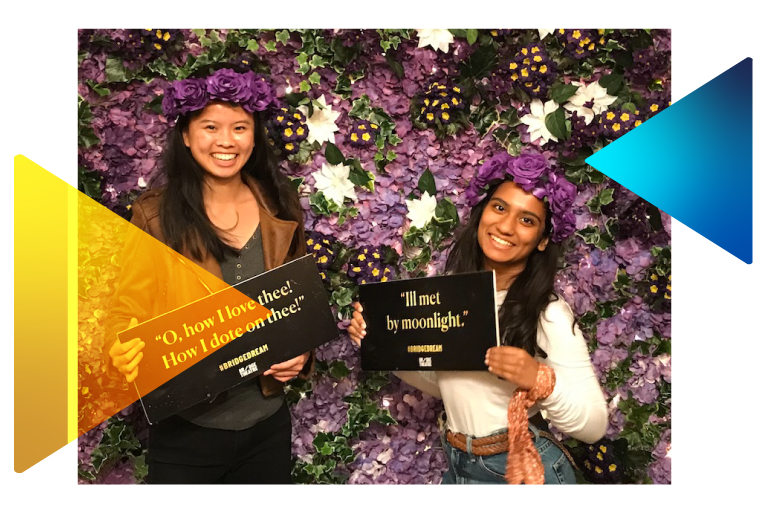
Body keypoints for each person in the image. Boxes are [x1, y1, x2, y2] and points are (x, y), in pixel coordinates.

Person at [105, 64, 311, 484]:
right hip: (186, 429)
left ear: (255, 136)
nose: (226, 141)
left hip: (268, 425)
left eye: (240, 127)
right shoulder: (155, 214)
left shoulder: (281, 206)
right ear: (185, 134)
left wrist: (300, 356)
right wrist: (119, 344)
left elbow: (297, 306)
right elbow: (123, 312)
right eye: (210, 126)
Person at [348, 152, 608, 484]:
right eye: (499, 208)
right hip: (459, 463)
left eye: (527, 220)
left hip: (520, 469)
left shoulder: (548, 313)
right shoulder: (454, 296)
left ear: (543, 240)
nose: (505, 226)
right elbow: (448, 384)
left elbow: (595, 426)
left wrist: (540, 381)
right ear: (482, 212)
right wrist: (381, 344)